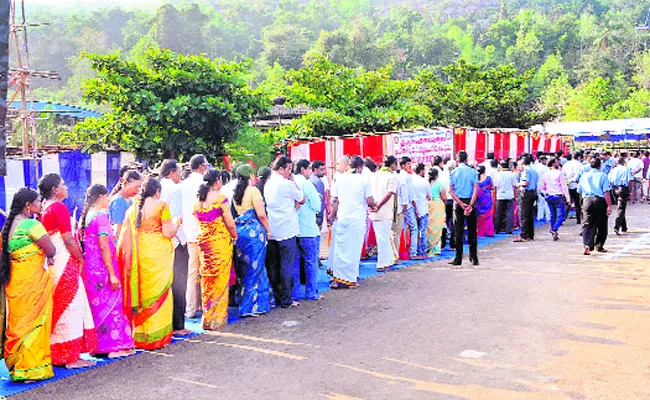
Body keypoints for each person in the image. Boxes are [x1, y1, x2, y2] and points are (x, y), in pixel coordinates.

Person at [38, 174, 97, 368]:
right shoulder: (59, 207)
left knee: (59, 305)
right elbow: (68, 239)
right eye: (63, 185)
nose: (67, 187)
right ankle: (70, 357)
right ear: (55, 190)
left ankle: (57, 352)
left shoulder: (43, 208)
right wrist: (80, 258)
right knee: (72, 306)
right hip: (64, 261)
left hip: (52, 264)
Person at [1, 188, 56, 381]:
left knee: (18, 324)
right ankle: (33, 368)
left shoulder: (7, 228)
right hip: (32, 282)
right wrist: (50, 257)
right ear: (28, 205)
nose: (39, 205)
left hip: (15, 282)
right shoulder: (31, 225)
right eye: (37, 202)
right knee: (35, 323)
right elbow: (51, 247)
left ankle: (18, 368)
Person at [119, 177, 180, 349]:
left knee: (143, 293)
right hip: (158, 256)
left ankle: (141, 335)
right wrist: (177, 223)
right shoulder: (161, 206)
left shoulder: (132, 208)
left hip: (140, 254)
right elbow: (168, 233)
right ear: (157, 191)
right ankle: (157, 337)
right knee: (160, 293)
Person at [79, 184, 135, 358]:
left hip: (90, 268)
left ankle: (99, 346)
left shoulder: (87, 216)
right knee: (112, 305)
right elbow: (104, 246)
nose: (109, 200)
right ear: (101, 197)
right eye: (107, 197)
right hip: (103, 267)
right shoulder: (101, 217)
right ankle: (113, 346)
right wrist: (111, 273)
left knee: (97, 306)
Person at [194, 169, 238, 330]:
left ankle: (207, 318)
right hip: (219, 244)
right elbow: (230, 222)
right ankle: (218, 319)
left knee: (207, 279)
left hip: (204, 245)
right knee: (220, 280)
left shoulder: (198, 201)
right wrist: (235, 235)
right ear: (217, 181)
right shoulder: (220, 199)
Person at [328, 156, 376, 288]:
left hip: (342, 218)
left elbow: (335, 200)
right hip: (356, 219)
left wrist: (332, 215)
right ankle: (350, 279)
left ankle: (337, 279)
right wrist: (374, 206)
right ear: (360, 167)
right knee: (353, 250)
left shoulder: (339, 178)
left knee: (340, 249)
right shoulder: (363, 179)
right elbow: (369, 200)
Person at [233, 164, 274, 317]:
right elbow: (261, 214)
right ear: (250, 175)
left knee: (246, 268)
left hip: (241, 233)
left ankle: (261, 303)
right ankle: (251, 306)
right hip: (254, 234)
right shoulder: (253, 191)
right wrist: (268, 230)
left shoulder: (236, 192)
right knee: (255, 268)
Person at [264, 156, 305, 307]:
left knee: (273, 265)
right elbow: (302, 198)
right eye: (288, 169)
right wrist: (293, 181)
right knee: (286, 265)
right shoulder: (287, 184)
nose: (290, 172)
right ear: (280, 169)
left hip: (272, 229)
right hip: (287, 230)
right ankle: (286, 299)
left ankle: (277, 296)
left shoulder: (268, 183)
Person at [159, 159, 192, 336]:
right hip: (175, 240)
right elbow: (176, 218)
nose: (180, 175)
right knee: (179, 284)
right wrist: (181, 239)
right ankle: (178, 324)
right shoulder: (174, 189)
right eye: (178, 172)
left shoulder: (157, 187)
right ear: (171, 172)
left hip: (159, 242)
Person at [180, 154, 209, 319]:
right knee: (205, 271)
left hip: (189, 232)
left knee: (192, 273)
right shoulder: (203, 184)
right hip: (203, 231)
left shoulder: (183, 185)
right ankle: (205, 306)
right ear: (202, 166)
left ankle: (191, 309)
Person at [292, 160, 323, 300]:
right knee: (311, 262)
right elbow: (317, 206)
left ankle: (295, 294)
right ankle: (312, 292)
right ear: (303, 169)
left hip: (293, 230)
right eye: (309, 169)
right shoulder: (306, 184)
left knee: (295, 264)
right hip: (308, 229)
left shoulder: (290, 182)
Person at [448, 151, 479, 266]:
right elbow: (476, 188)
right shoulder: (473, 172)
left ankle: (458, 258)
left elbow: (451, 191)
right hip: (470, 200)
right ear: (466, 159)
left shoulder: (453, 173)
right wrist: (470, 204)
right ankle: (474, 257)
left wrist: (460, 203)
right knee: (472, 231)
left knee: (458, 231)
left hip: (458, 202)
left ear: (457, 159)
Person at [369, 156, 398, 271]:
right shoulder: (391, 176)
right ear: (392, 164)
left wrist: (374, 206)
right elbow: (389, 193)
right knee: (384, 238)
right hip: (384, 210)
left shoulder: (374, 175)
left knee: (382, 237)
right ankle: (382, 263)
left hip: (374, 209)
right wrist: (379, 206)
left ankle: (388, 260)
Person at [579, 157, 612, 255]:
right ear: (599, 166)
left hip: (587, 200)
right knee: (602, 224)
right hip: (599, 200)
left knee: (587, 223)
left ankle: (587, 245)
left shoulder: (584, 176)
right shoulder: (603, 176)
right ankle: (599, 245)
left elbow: (579, 190)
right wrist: (609, 206)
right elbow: (606, 192)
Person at [540, 157, 570, 241]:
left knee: (553, 215)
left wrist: (545, 193)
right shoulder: (559, 173)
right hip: (558, 195)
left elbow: (542, 186)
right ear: (553, 163)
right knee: (561, 215)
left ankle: (554, 233)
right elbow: (564, 186)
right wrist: (568, 198)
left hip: (549, 196)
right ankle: (554, 229)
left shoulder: (545, 174)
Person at [109, 170, 142, 237]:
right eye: (136, 187)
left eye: (139, 187)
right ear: (125, 184)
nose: (138, 190)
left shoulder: (130, 200)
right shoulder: (119, 201)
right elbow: (119, 229)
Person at [514, 155, 538, 243]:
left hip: (526, 193)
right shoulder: (534, 171)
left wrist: (517, 184)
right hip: (532, 193)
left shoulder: (526, 171)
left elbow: (525, 182)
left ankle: (523, 235)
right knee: (530, 215)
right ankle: (530, 234)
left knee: (524, 215)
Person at [609, 157, 633, 235]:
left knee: (620, 207)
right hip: (623, 189)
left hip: (614, 189)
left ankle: (624, 227)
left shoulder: (613, 170)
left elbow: (609, 180)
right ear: (623, 162)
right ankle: (617, 227)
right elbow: (630, 181)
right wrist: (630, 191)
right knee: (621, 208)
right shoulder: (626, 169)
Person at [411, 163, 430, 259]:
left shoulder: (410, 180)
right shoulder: (424, 181)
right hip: (423, 208)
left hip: (412, 209)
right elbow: (429, 195)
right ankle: (423, 252)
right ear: (421, 170)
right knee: (423, 231)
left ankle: (413, 251)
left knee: (413, 231)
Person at [426, 168, 447, 256]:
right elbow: (444, 197)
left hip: (428, 205)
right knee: (437, 227)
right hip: (437, 206)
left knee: (429, 226)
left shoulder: (426, 184)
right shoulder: (439, 185)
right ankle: (435, 248)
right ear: (437, 176)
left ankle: (428, 246)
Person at [400, 157, 418, 260]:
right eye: (407, 164)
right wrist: (416, 208)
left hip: (400, 206)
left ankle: (403, 251)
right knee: (414, 228)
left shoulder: (397, 175)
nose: (409, 166)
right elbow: (412, 194)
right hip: (408, 206)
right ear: (403, 165)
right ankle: (413, 252)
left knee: (402, 228)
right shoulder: (407, 177)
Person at [494, 160, 517, 234]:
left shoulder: (497, 174)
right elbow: (514, 186)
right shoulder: (512, 174)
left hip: (500, 195)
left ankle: (497, 229)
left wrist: (495, 196)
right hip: (509, 195)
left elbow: (495, 187)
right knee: (509, 213)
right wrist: (515, 195)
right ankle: (509, 229)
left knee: (498, 213)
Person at [391, 158, 409, 257]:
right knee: (396, 234)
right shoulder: (400, 178)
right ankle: (394, 256)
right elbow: (405, 197)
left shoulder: (378, 176)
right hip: (397, 210)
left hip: (384, 210)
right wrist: (404, 209)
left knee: (386, 235)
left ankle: (387, 257)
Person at [563, 152, 584, 224]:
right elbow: (581, 176)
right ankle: (578, 219)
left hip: (568, 185)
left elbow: (563, 175)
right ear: (578, 157)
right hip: (577, 185)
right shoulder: (580, 165)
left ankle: (563, 218)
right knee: (578, 203)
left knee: (567, 202)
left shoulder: (566, 165)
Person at [476, 165, 495, 237]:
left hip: (479, 198)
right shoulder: (488, 178)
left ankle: (480, 231)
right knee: (488, 215)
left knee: (480, 215)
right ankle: (488, 231)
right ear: (484, 170)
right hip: (487, 198)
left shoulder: (476, 179)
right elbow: (493, 187)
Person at [309, 160, 327, 230]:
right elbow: (321, 201)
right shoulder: (318, 182)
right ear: (315, 170)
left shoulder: (309, 179)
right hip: (317, 216)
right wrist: (320, 216)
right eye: (321, 169)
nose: (324, 172)